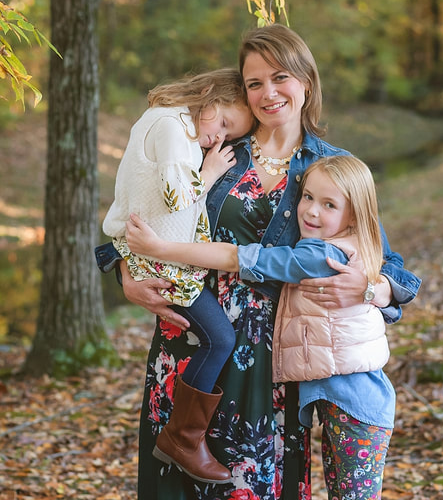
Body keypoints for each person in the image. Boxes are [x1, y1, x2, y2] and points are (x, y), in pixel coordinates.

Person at [95, 24, 422, 500]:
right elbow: (149, 211)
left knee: (251, 482)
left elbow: (389, 263)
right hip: (194, 338)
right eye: (254, 83)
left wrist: (375, 291)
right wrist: (125, 273)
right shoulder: (218, 146)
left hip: (269, 354)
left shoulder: (329, 167)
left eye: (280, 77)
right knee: (178, 481)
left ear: (306, 82)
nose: (268, 93)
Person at [125, 154, 396, 499]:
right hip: (341, 401)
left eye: (329, 204)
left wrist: (161, 248)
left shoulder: (321, 257)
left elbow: (238, 258)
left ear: (353, 214)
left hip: (356, 405)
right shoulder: (343, 243)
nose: (311, 211)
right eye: (307, 197)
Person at [101, 69, 253, 484]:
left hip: (158, 256)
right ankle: (182, 438)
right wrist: (211, 171)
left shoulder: (176, 124)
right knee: (219, 338)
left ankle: (182, 437)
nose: (216, 138)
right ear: (208, 94)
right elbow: (174, 197)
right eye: (221, 123)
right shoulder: (171, 125)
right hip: (161, 263)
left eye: (228, 134)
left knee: (214, 338)